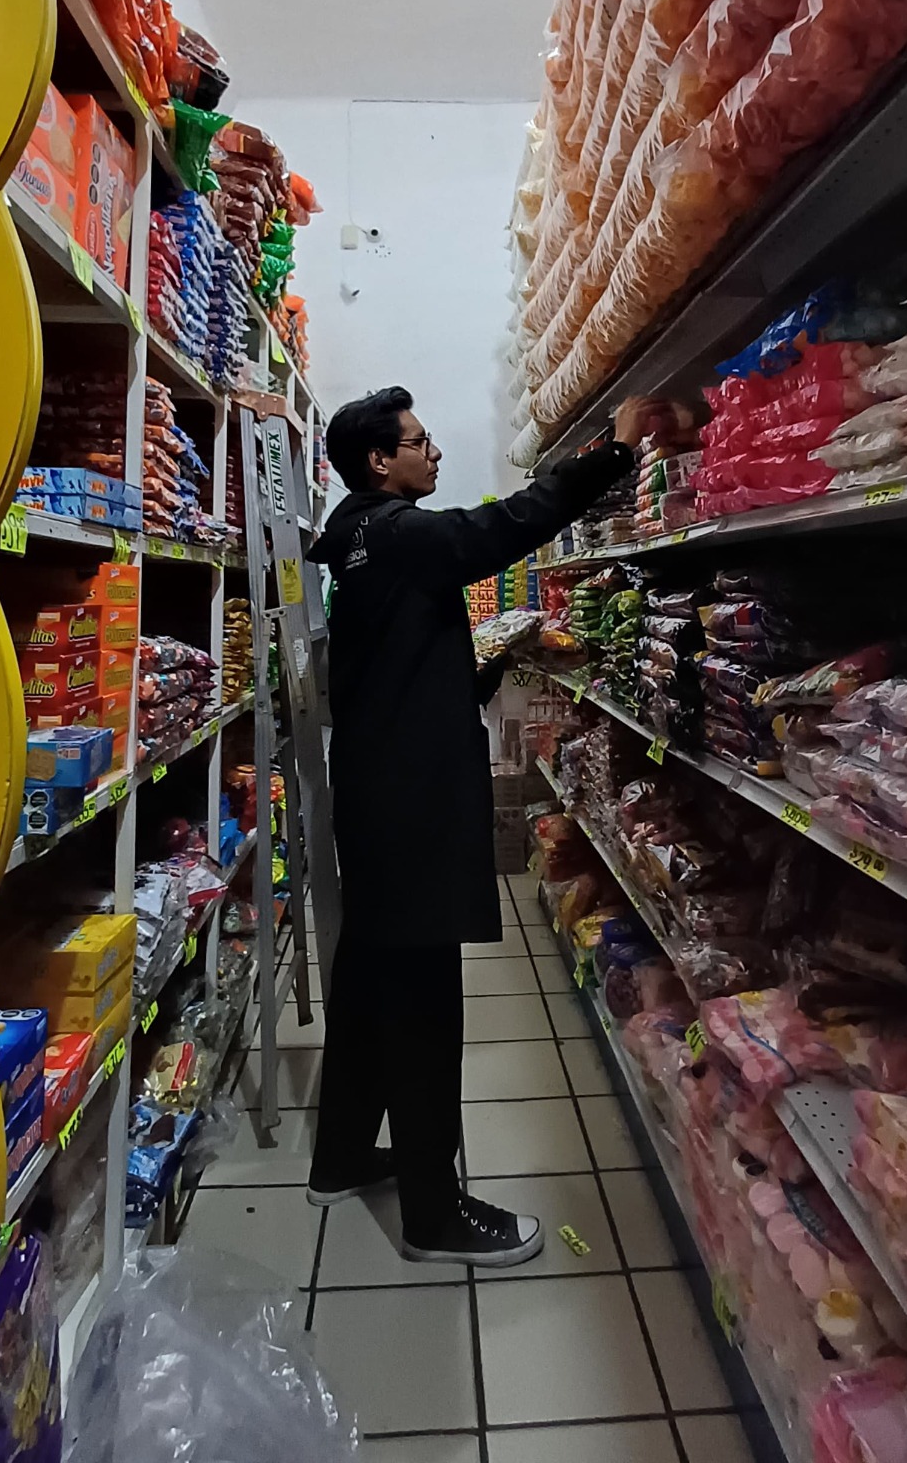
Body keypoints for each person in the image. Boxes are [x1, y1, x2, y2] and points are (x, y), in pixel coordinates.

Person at [306, 385, 669, 1266]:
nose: (433, 452)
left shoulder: (356, 539)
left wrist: (493, 658)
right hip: (411, 804)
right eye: (419, 442)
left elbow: (397, 667)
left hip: (379, 792)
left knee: (368, 981)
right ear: (378, 462)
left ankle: (342, 1155)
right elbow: (502, 527)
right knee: (424, 1005)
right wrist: (614, 452)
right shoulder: (397, 531)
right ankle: (433, 1216)